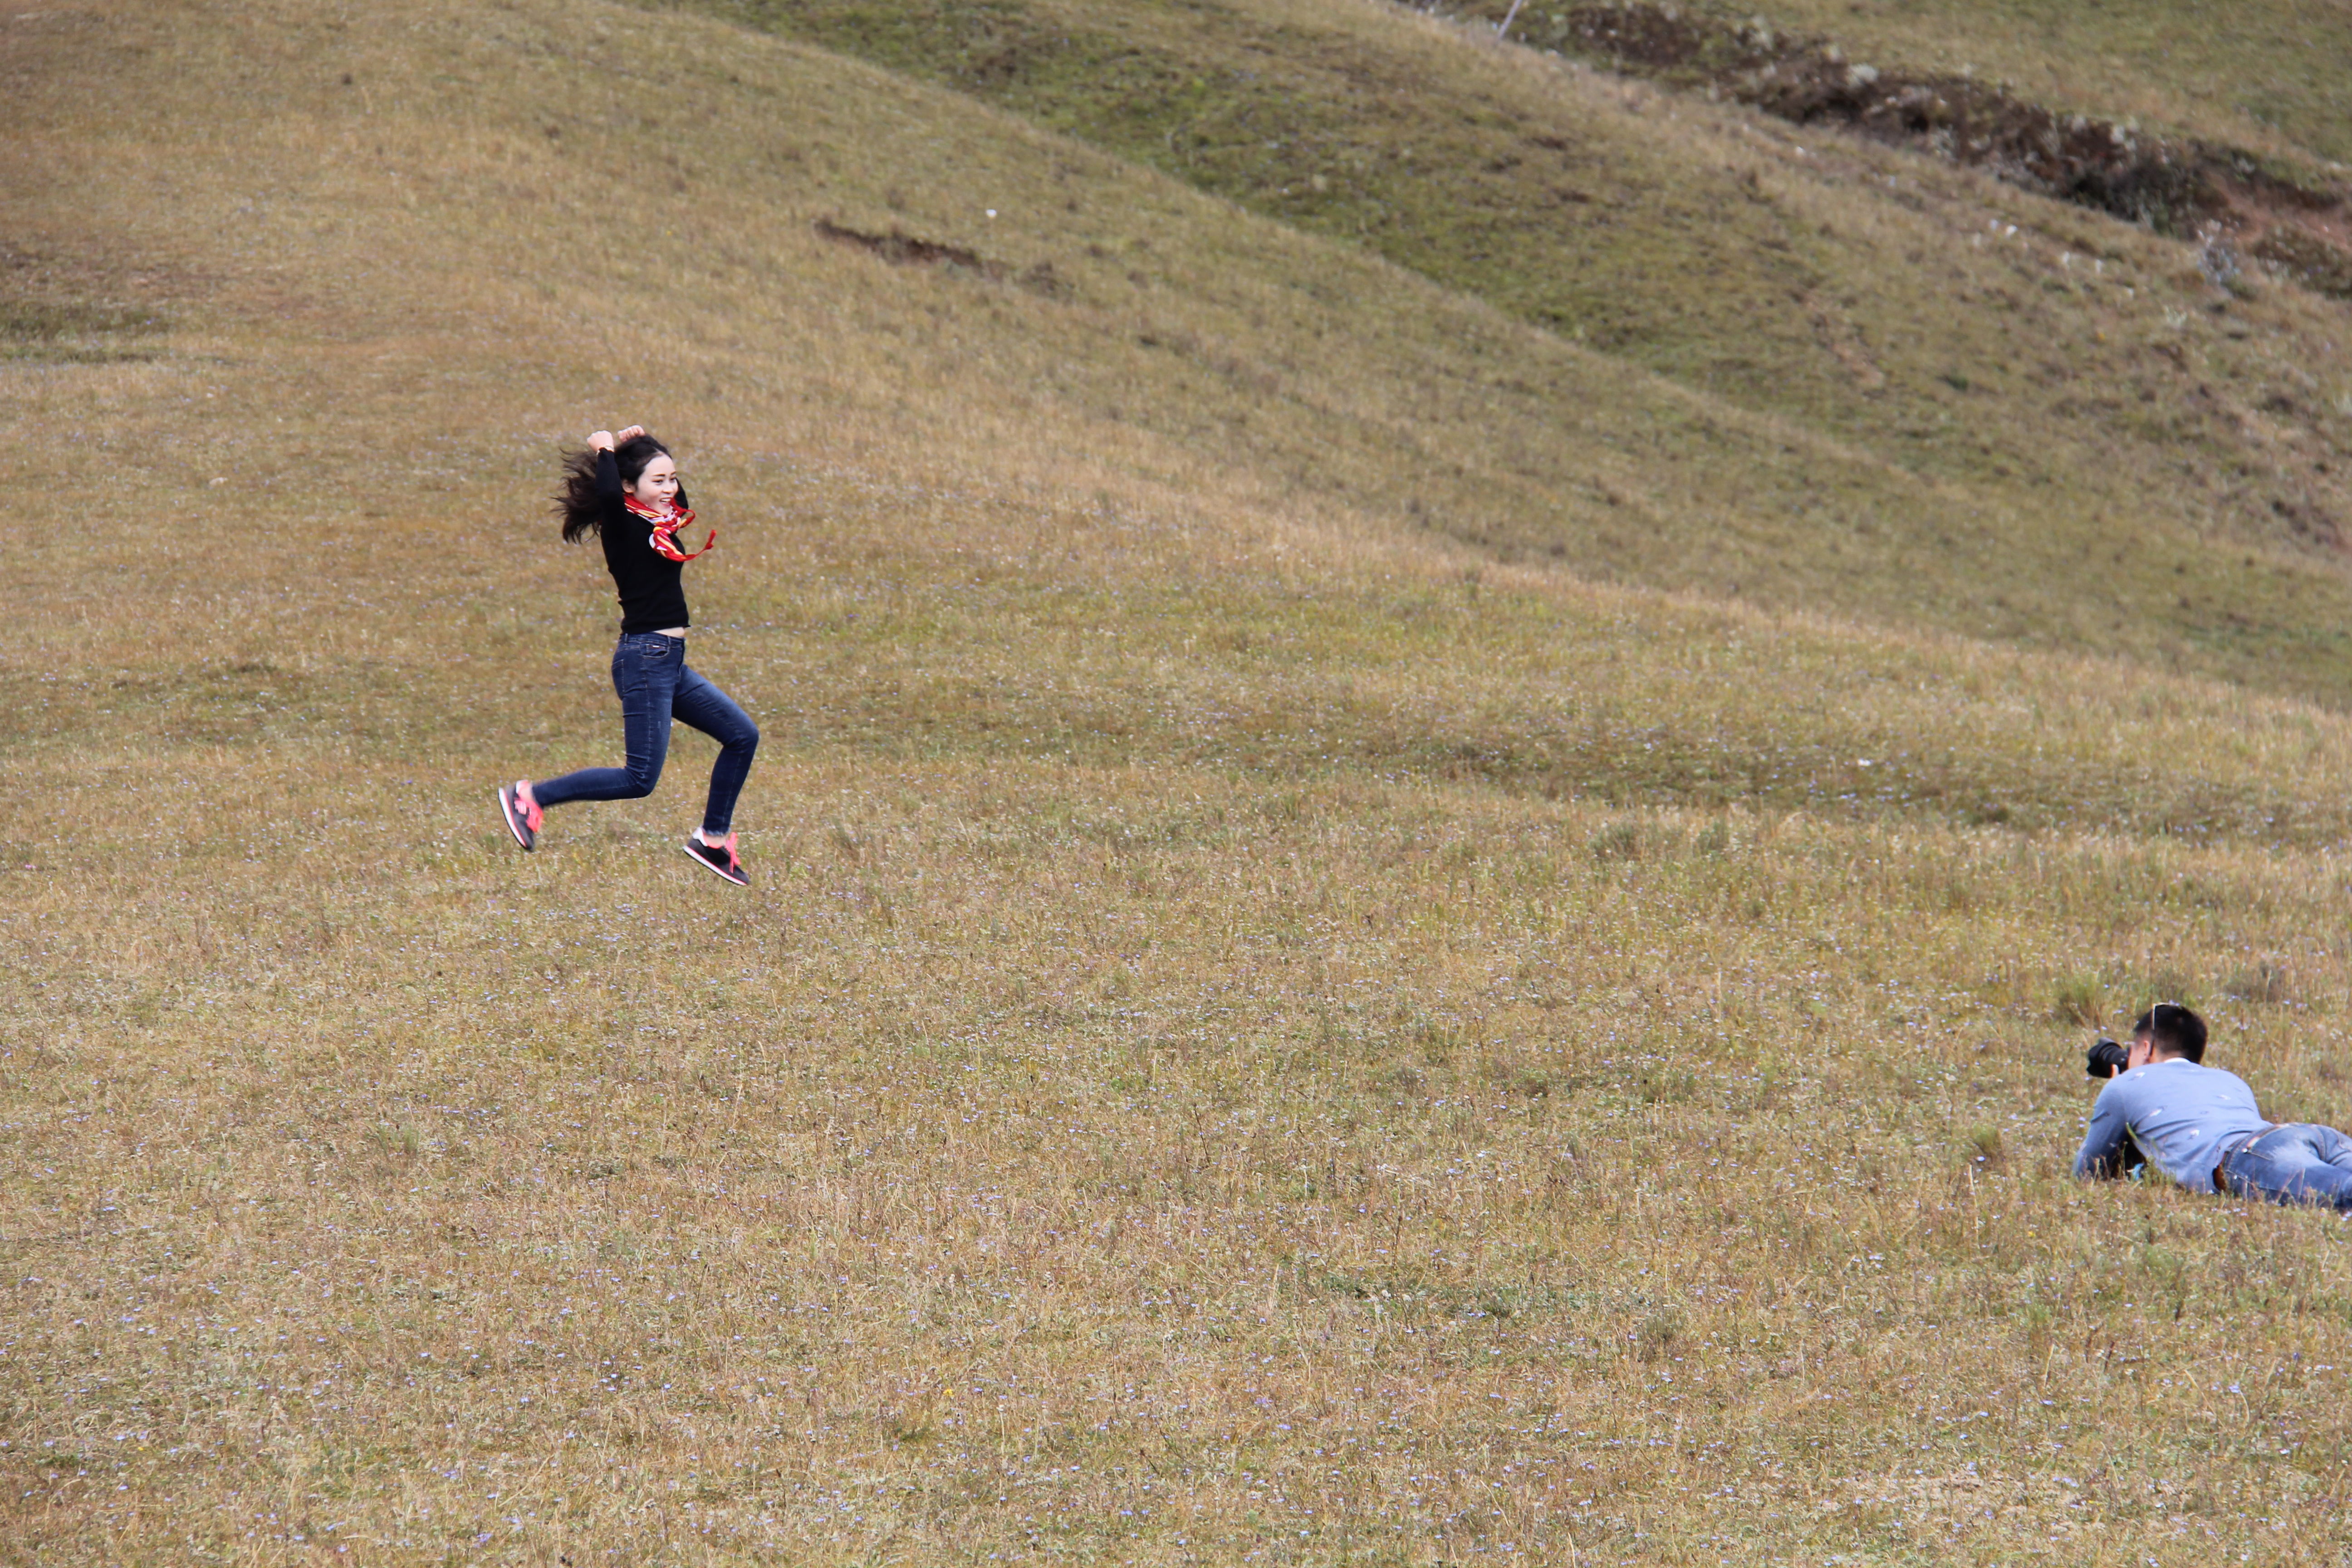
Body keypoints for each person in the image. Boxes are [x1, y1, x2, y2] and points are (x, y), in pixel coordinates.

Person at [496, 425, 759, 886]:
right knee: (640, 778)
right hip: (645, 659)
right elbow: (608, 492)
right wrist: (605, 453)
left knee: (742, 736)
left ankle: (713, 842)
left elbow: (679, 506)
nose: (670, 489)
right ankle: (530, 797)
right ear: (626, 485)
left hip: (669, 661)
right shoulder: (622, 524)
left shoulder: (660, 523)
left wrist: (645, 443)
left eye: (672, 478)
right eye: (658, 480)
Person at [2074, 1002, 2352, 1211]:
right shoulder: (2229, 1079)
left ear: (2146, 1049)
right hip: (2308, 1135)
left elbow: (2088, 1173)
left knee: (2342, 1197)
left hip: (2252, 1155)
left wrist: (2119, 1091)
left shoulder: (2127, 1084)